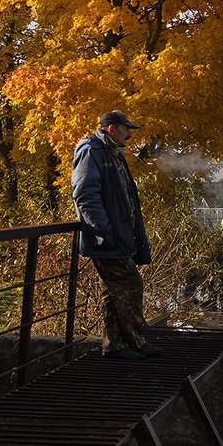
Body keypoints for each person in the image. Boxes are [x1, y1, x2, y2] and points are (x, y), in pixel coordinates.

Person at [71, 110, 160, 360]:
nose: (129, 135)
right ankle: (138, 341)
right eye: (126, 129)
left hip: (118, 238)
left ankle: (114, 346)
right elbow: (85, 196)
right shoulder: (92, 151)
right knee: (131, 284)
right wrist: (105, 232)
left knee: (112, 294)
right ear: (112, 129)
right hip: (106, 240)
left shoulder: (111, 153)